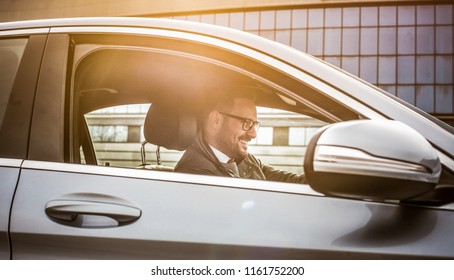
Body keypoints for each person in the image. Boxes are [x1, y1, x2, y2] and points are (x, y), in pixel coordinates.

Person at [174, 86, 306, 184]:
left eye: (254, 124)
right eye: (247, 123)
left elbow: (292, 183)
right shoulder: (196, 176)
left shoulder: (243, 159)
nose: (253, 134)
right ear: (216, 120)